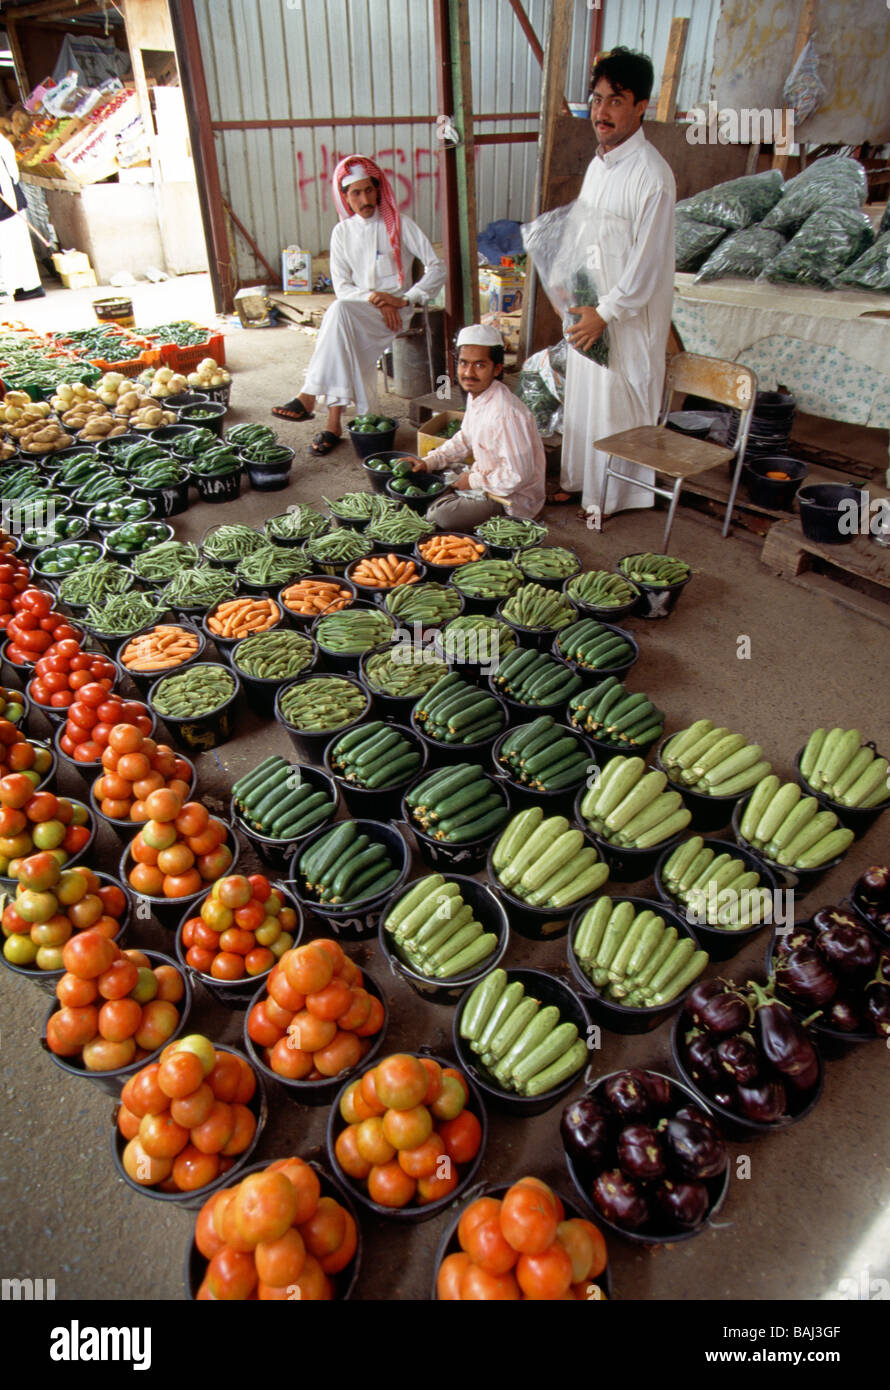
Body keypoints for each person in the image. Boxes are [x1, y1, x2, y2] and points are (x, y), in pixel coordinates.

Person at [559, 47, 675, 517]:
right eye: (597, 98)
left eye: (616, 100)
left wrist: (605, 312)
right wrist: (571, 291)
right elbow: (586, 237)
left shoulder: (652, 177)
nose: (601, 112)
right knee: (584, 401)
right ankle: (583, 484)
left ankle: (611, 499)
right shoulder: (598, 165)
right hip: (589, 312)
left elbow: (646, 265)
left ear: (641, 106)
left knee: (616, 407)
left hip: (623, 320)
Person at [273, 155, 445, 456]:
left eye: (369, 190)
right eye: (356, 193)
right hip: (360, 309)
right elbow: (342, 287)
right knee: (342, 321)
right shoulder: (341, 233)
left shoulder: (400, 225)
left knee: (338, 316)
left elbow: (437, 267)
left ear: (378, 190)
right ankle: (338, 422)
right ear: (346, 198)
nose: (365, 198)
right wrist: (375, 299)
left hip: (397, 313)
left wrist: (405, 299)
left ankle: (313, 398)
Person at [408, 324, 545, 528]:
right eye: (463, 363)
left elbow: (517, 476)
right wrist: (430, 461)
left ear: (497, 368)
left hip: (510, 499)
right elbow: (465, 438)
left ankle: (450, 502)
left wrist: (472, 482)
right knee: (425, 477)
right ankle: (449, 496)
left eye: (480, 365)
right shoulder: (478, 395)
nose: (468, 373)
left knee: (439, 517)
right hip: (486, 476)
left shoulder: (506, 413)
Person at [0, 132, 44, 301]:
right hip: (9, 200)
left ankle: (21, 287)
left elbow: (5, 175)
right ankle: (22, 286)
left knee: (11, 246)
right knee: (13, 247)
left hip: (8, 201)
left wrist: (10, 203)